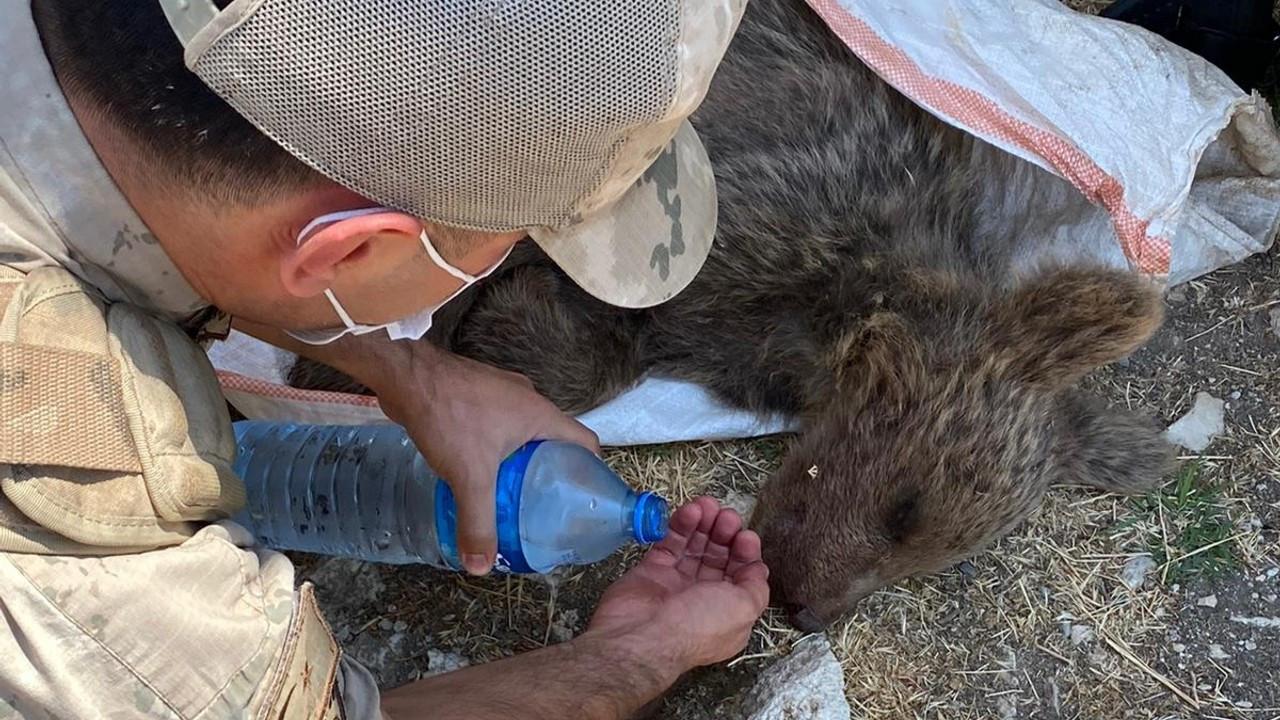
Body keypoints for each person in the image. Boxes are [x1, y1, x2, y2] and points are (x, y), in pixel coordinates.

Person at [0, 1, 770, 718]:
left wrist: (413, 374)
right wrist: (643, 651)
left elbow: (211, 229)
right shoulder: (84, 565)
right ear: (354, 248)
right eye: (514, 241)